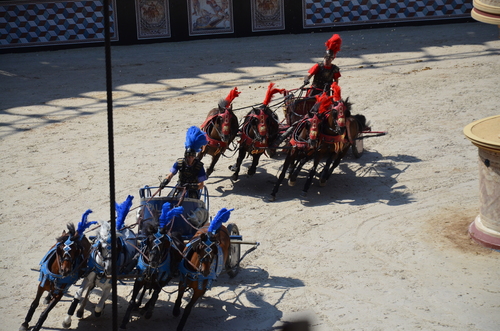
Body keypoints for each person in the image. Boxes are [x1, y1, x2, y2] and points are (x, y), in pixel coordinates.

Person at [160, 126, 208, 199]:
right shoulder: (179, 163)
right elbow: (170, 175)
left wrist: (191, 186)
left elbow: (201, 185)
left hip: (192, 190)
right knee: (169, 200)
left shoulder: (199, 166)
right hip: (180, 187)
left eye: (191, 157)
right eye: (188, 157)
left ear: (194, 157)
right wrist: (165, 182)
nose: (190, 159)